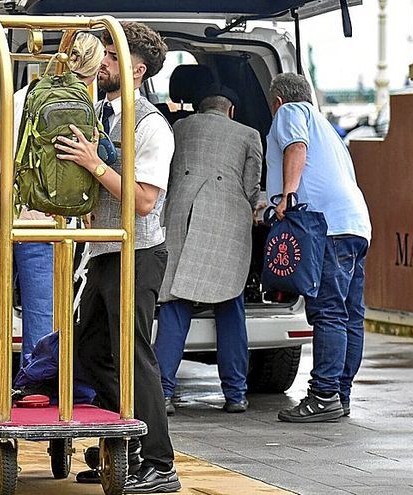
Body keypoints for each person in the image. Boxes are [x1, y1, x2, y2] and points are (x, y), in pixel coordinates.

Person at [53, 22, 180, 494]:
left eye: (109, 56)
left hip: (138, 252)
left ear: (135, 69)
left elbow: (145, 200)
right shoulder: (101, 113)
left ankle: (160, 463)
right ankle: (121, 447)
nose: (100, 62)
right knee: (89, 351)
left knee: (133, 353)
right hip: (105, 251)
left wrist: (93, 164)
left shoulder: (149, 125)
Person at [0, 33, 105, 382]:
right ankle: (33, 389)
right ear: (96, 71)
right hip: (44, 221)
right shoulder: (83, 106)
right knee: (42, 313)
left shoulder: (24, 95)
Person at [262, 73, 371, 423]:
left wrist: (288, 195)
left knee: (328, 312)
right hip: (355, 224)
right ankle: (340, 394)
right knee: (350, 313)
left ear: (277, 101)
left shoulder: (290, 111)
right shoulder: (327, 128)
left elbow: (295, 146)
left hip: (327, 227)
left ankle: (323, 395)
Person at [154, 85, 262, 415]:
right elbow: (251, 186)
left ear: (200, 108)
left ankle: (164, 392)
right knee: (231, 306)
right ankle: (235, 394)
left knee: (175, 305)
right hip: (226, 223)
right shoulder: (249, 134)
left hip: (180, 218)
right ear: (231, 110)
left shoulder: (178, 127)